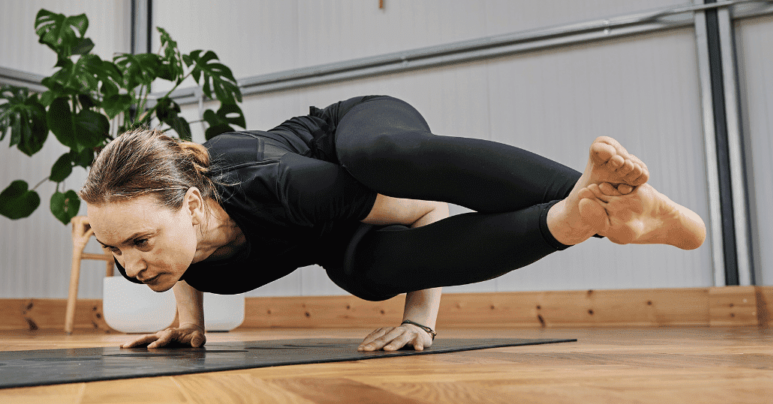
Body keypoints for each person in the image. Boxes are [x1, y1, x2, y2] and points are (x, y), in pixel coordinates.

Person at [79, 95, 706, 353]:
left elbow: (433, 208)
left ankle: (616, 204)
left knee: (382, 158)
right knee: (364, 272)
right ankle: (577, 218)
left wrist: (420, 322)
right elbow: (188, 258)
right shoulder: (175, 244)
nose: (133, 267)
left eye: (139, 242)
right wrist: (187, 323)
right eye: (116, 250)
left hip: (355, 133)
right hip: (326, 227)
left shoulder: (283, 186)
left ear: (191, 206)